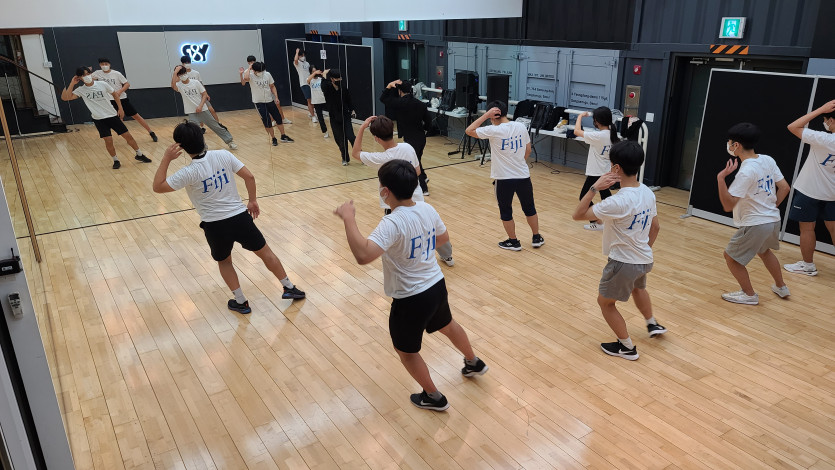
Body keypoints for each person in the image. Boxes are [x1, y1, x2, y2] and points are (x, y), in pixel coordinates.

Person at [334, 159, 487, 411]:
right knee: (448, 325)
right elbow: (443, 238)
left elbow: (363, 255)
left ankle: (433, 397)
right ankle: (473, 362)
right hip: (436, 285)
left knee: (406, 351)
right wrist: (418, 249)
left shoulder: (392, 223)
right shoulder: (427, 209)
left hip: (410, 299)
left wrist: (349, 219)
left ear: (385, 191)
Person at [152, 122, 306, 313]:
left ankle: (241, 302)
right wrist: (252, 201)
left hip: (214, 226)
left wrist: (166, 159)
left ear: (180, 147)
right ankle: (289, 287)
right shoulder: (223, 155)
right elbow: (249, 177)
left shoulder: (188, 173)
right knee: (266, 253)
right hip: (240, 218)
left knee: (225, 262)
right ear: (202, 138)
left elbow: (158, 187)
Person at [571, 141, 666, 360]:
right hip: (644, 259)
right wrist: (643, 250)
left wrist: (594, 188)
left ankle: (627, 347)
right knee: (638, 289)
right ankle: (652, 323)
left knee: (605, 303)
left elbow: (578, 215)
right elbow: (656, 227)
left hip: (623, 262)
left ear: (616, 168)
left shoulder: (617, 202)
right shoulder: (647, 192)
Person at [352, 115, 454, 266]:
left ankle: (407, 259)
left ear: (376, 138)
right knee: (429, 226)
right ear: (392, 130)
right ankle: (448, 256)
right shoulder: (407, 147)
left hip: (394, 205)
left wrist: (362, 127)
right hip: (416, 198)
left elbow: (355, 153)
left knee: (398, 234)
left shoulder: (381, 158)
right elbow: (417, 171)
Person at [716, 123, 791, 305]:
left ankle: (749, 294)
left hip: (756, 223)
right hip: (773, 220)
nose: (728, 145)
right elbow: (784, 187)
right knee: (764, 251)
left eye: (730, 142)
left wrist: (720, 178)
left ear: (736, 145)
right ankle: (781, 287)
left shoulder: (746, 171)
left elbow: (728, 205)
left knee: (731, 257)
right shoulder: (767, 160)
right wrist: (769, 208)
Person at [465, 100, 544, 251]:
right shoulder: (521, 126)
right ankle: (536, 237)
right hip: (523, 176)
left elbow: (469, 130)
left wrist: (485, 116)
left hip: (503, 179)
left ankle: (514, 242)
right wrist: (518, 164)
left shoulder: (493, 130)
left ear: (492, 116)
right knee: (529, 208)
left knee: (506, 210)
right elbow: (528, 150)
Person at [60, 66, 152, 169]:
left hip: (112, 116)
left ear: (91, 74)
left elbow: (115, 95)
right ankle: (115, 160)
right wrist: (72, 83)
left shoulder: (102, 84)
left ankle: (139, 154)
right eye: (83, 75)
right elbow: (65, 98)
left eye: (88, 74)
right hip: (99, 119)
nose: (87, 76)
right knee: (108, 140)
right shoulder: (81, 90)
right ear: (79, 78)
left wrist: (120, 109)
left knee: (128, 136)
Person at [783, 100, 835, 276]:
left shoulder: (824, 139)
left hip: (809, 191)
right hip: (832, 193)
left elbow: (793, 126)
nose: (825, 123)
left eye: (826, 120)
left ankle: (808, 266)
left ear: (831, 121)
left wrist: (821, 109)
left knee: (806, 229)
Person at [380, 79, 433, 195]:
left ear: (400, 91)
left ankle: (423, 188)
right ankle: (424, 177)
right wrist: (425, 130)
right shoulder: (420, 104)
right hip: (421, 137)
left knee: (413, 162)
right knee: (417, 158)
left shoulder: (399, 103)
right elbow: (429, 121)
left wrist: (389, 86)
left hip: (410, 138)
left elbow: (383, 99)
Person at [573, 106, 620, 231]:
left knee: (584, 197)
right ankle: (612, 222)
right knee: (607, 198)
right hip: (605, 171)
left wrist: (580, 116)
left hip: (596, 173)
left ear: (597, 121)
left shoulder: (598, 136)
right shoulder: (612, 134)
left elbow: (576, 131)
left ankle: (597, 221)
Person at [171, 66, 238, 150]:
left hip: (203, 109)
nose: (182, 76)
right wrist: (175, 72)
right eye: (180, 75)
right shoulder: (179, 85)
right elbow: (173, 85)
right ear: (178, 76)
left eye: (183, 73)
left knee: (215, 126)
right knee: (195, 132)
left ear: (186, 73)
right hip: (191, 112)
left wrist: (200, 106)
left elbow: (204, 94)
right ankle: (202, 146)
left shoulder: (195, 82)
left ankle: (230, 141)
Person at [92, 58, 158, 142]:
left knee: (136, 116)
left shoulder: (116, 74)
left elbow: (127, 84)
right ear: (100, 65)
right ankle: (128, 137)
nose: (104, 66)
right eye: (102, 64)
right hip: (109, 101)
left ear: (109, 64)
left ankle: (151, 132)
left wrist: (120, 91)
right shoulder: (97, 73)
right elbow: (88, 80)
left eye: (106, 64)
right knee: (118, 119)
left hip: (122, 99)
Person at [240, 62, 294, 146]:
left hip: (270, 100)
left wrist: (276, 97)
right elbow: (245, 78)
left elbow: (272, 86)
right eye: (259, 71)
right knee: (267, 121)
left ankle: (283, 136)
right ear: (254, 70)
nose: (261, 72)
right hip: (259, 102)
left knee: (278, 118)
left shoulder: (267, 74)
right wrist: (250, 67)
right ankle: (273, 138)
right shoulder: (251, 75)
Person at [180, 55, 229, 131]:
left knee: (211, 110)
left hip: (201, 95)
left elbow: (201, 84)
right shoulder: (182, 75)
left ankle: (218, 125)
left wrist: (206, 94)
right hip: (191, 97)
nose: (187, 64)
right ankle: (201, 127)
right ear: (182, 64)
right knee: (198, 113)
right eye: (185, 63)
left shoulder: (196, 73)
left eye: (188, 62)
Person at [240, 56, 292, 125]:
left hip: (268, 91)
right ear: (248, 63)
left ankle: (283, 119)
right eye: (251, 62)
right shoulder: (247, 72)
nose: (252, 63)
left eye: (253, 61)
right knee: (266, 108)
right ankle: (273, 121)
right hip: (259, 94)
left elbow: (269, 82)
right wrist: (241, 74)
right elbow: (244, 82)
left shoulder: (260, 68)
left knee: (277, 104)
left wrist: (275, 95)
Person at [321, 69, 356, 165]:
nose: (339, 80)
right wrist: (325, 74)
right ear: (332, 79)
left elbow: (349, 100)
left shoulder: (343, 89)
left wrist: (352, 110)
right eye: (337, 78)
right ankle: (345, 158)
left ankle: (360, 155)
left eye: (340, 78)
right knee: (340, 139)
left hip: (345, 116)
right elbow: (323, 83)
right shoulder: (327, 88)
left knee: (351, 137)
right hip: (334, 117)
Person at [293, 48, 316, 121]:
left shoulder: (307, 63)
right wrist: (297, 52)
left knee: (313, 100)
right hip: (304, 83)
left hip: (310, 83)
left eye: (304, 55)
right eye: (301, 55)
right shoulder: (297, 63)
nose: (303, 57)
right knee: (309, 100)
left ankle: (311, 112)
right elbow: (295, 60)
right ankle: (313, 116)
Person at [307, 65, 329, 139]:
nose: (315, 72)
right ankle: (325, 131)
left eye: (315, 70)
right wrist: (314, 73)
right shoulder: (310, 80)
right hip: (316, 101)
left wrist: (324, 74)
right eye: (313, 71)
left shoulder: (321, 79)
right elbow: (308, 80)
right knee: (320, 117)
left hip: (324, 100)